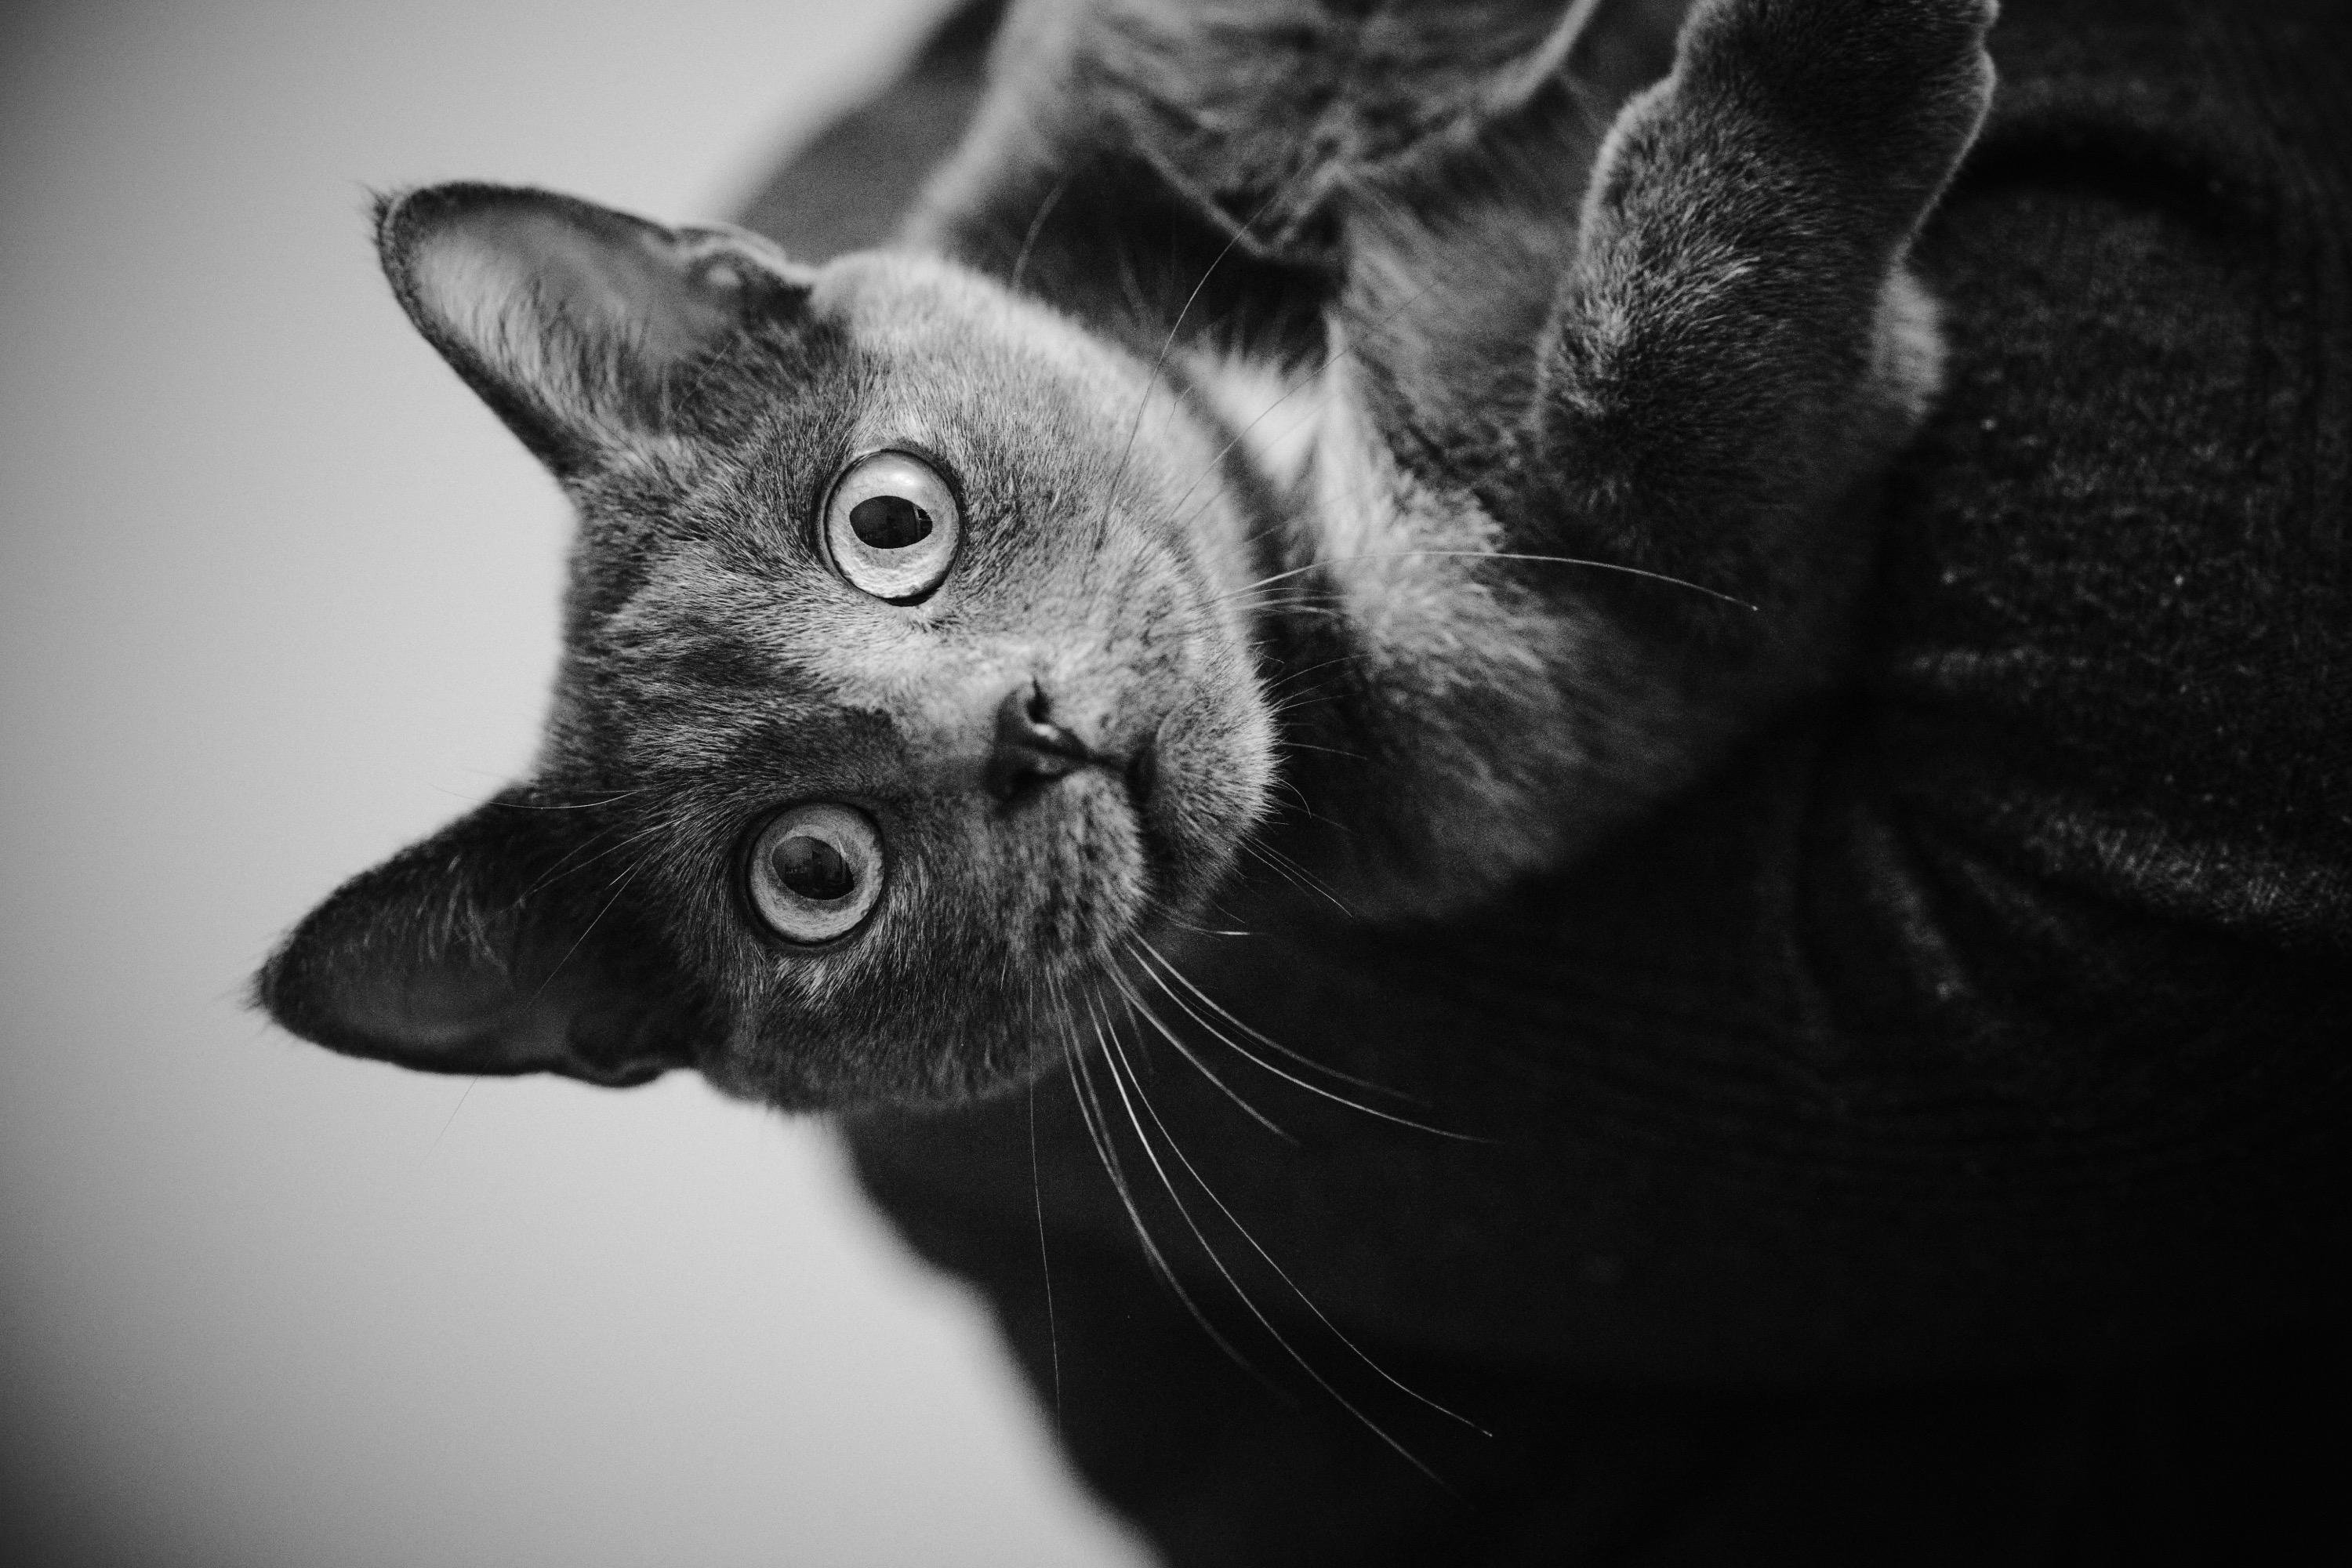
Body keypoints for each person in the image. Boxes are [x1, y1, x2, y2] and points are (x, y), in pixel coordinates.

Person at [744, 1, 2352, 1559]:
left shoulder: (940, 263)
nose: (1004, 716)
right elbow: (2226, 750)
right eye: (817, 866)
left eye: (894, 535)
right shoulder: (1073, 1087)